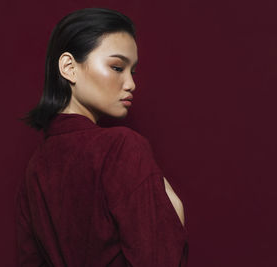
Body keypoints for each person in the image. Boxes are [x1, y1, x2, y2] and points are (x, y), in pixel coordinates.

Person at [16, 7, 189, 266]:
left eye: (133, 72)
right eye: (117, 67)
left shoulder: (35, 170)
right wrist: (174, 214)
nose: (131, 84)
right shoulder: (121, 147)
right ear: (68, 67)